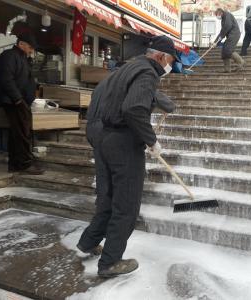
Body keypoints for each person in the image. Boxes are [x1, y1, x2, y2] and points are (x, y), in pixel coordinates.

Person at [76, 35, 179, 278]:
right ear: (161, 56)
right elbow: (133, 108)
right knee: (126, 204)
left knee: (108, 197)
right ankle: (110, 262)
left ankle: (88, 243)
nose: (171, 65)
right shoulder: (148, 73)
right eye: (171, 60)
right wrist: (151, 139)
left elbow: (130, 97)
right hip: (122, 142)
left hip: (102, 137)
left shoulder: (127, 68)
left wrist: (165, 104)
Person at [0, 33, 44, 175]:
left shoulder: (22, 57)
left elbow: (24, 78)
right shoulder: (9, 56)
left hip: (19, 100)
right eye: (30, 47)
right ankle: (23, 164)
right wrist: (18, 99)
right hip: (12, 101)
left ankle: (16, 164)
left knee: (19, 132)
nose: (31, 50)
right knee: (22, 132)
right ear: (21, 44)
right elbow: (6, 79)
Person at [214, 8, 244, 73]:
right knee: (224, 50)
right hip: (231, 35)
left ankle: (240, 62)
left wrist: (217, 41)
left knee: (228, 49)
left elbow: (226, 27)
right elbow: (223, 31)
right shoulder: (223, 18)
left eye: (217, 15)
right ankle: (227, 69)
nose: (217, 17)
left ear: (220, 13)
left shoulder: (227, 15)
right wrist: (216, 42)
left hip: (234, 34)